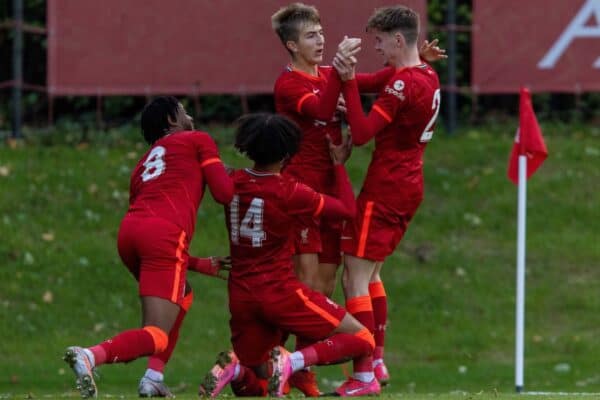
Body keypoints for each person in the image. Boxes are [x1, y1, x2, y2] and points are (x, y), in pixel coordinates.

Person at [271, 3, 445, 392]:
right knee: (313, 283)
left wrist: (363, 74)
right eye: (312, 36)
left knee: (344, 280)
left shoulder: (340, 74)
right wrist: (409, 63)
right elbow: (320, 105)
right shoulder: (291, 83)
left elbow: (365, 109)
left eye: (321, 33)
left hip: (363, 188)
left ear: (398, 40)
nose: (321, 40)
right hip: (306, 192)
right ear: (291, 45)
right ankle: (295, 364)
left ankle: (350, 368)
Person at [62, 96, 234, 398]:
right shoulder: (198, 140)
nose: (189, 115)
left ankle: (153, 377)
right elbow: (224, 193)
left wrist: (198, 264)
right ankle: (90, 355)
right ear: (171, 121)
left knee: (184, 295)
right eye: (183, 111)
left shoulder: (144, 163)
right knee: (155, 335)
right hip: (163, 235)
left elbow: (153, 234)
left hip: (129, 234)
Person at [197, 113, 378, 398]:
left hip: (242, 294)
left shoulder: (233, 180)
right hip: (280, 291)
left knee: (256, 385)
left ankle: (236, 369)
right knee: (362, 339)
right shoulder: (289, 191)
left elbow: (209, 172)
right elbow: (346, 210)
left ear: (248, 146)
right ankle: (293, 361)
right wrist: (339, 166)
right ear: (288, 154)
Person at [331, 5, 442, 394]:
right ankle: (377, 361)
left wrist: (344, 83)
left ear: (398, 39)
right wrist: (342, 79)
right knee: (373, 274)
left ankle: (363, 375)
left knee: (354, 276)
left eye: (379, 41)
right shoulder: (425, 73)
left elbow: (360, 135)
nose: (376, 47)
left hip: (386, 188)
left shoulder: (401, 84)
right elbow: (369, 81)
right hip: (408, 185)